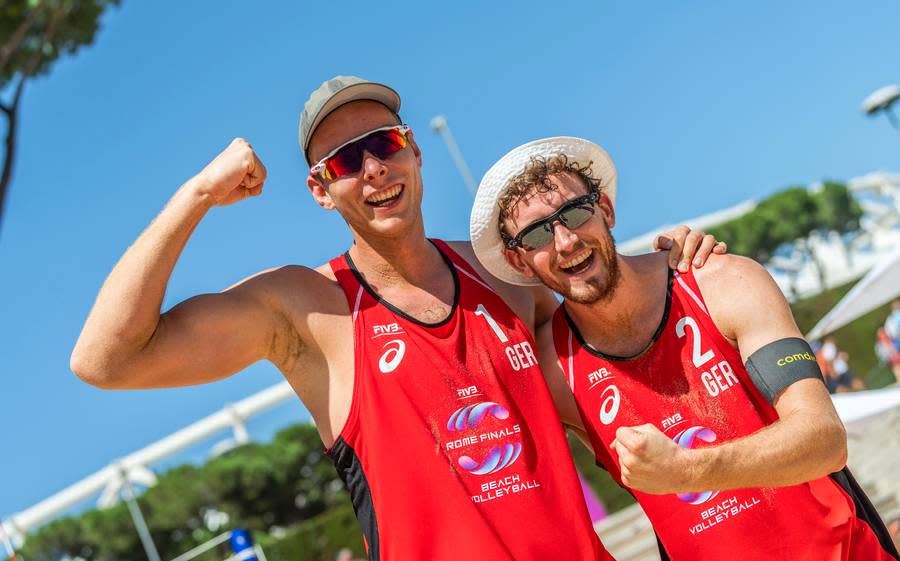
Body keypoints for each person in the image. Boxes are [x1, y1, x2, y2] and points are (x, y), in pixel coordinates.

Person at [70, 77, 722, 561]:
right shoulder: (307, 310)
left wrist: (676, 262)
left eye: (385, 143)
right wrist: (198, 196)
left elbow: (620, 343)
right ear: (320, 191)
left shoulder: (505, 271)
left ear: (414, 151)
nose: (374, 167)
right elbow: (104, 359)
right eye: (347, 161)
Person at [469, 136, 900, 561]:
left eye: (575, 213)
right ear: (519, 262)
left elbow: (824, 440)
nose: (565, 241)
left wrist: (686, 470)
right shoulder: (554, 373)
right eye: (538, 233)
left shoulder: (720, 283)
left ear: (605, 210)